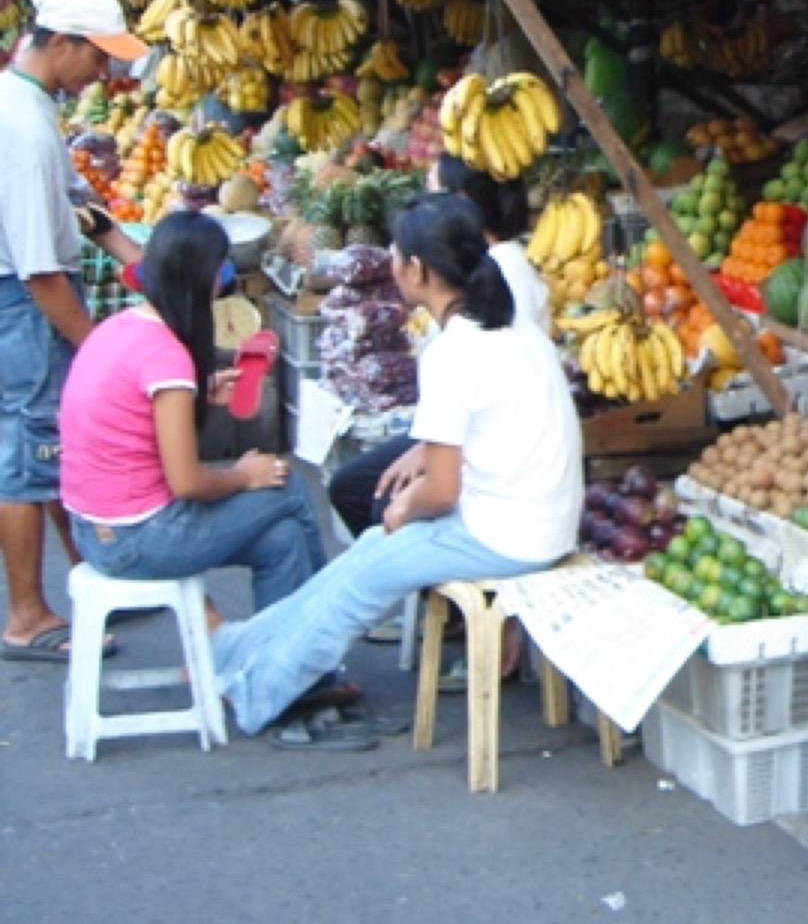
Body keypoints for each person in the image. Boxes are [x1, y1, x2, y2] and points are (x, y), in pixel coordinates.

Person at [214, 194, 582, 744]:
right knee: (367, 553)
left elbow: (441, 489)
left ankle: (258, 691)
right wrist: (411, 490)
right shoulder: (510, 327)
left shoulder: (455, 351)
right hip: (536, 517)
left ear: (421, 270)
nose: (391, 264)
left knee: (363, 580)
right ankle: (239, 649)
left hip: (509, 533)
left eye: (397, 255)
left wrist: (406, 509)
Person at [59, 212, 327, 609]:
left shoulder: (116, 328)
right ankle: (321, 639)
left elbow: (135, 413)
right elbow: (187, 483)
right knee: (284, 485)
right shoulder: (167, 355)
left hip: (91, 530)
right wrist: (242, 475)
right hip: (140, 537)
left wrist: (198, 393)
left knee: (283, 541)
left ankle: (280, 662)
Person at [1, 0, 148, 663]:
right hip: (22, 306)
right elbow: (39, 271)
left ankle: (97, 573)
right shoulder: (23, 127)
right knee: (27, 459)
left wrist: (135, 258)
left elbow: (77, 203)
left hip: (28, 302)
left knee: (58, 447)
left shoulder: (29, 103)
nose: (105, 72)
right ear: (60, 44)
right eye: (98, 57)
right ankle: (28, 615)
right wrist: (97, 350)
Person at [325, 154, 550, 539]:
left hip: (497, 461)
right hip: (470, 432)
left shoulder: (502, 277)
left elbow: (493, 400)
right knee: (358, 486)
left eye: (433, 192)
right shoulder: (482, 274)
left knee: (377, 498)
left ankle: (410, 566)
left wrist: (410, 498)